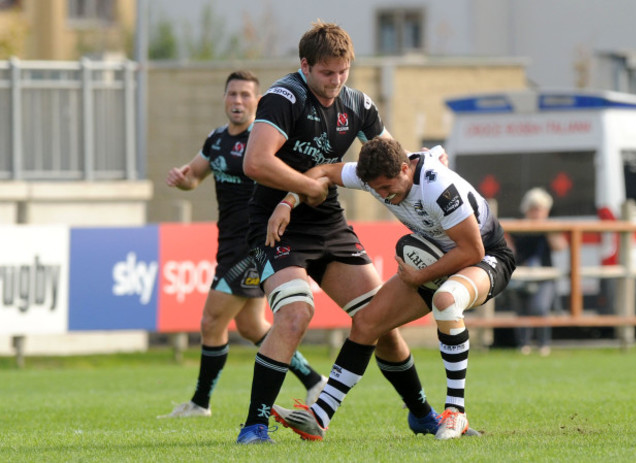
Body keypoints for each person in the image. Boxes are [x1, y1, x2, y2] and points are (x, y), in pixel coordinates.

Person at [236, 22, 442, 444]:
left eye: (343, 71)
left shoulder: (358, 105)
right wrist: (304, 187)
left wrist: (430, 171)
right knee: (296, 313)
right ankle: (255, 426)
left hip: (327, 221)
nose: (335, 81)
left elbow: (392, 159)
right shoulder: (283, 97)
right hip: (275, 224)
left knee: (378, 320)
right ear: (305, 65)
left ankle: (421, 414)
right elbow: (255, 162)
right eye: (327, 72)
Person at [267, 138, 516, 440]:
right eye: (377, 190)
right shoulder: (372, 177)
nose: (384, 195)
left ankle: (455, 412)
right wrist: (287, 202)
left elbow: (472, 250)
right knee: (367, 321)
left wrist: (419, 276)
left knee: (446, 299)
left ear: (404, 168)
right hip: (435, 257)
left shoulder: (438, 187)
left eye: (388, 187)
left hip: (487, 257)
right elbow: (322, 172)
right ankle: (319, 416)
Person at [158, 70, 326, 420]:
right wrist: (182, 179)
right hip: (228, 244)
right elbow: (195, 176)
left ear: (257, 101)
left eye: (246, 96)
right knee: (251, 327)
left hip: (254, 244)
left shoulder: (265, 141)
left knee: (210, 321)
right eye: (232, 94)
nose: (238, 101)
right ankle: (313, 380)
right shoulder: (216, 139)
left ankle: (200, 403)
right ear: (224, 98)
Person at [508, 187, 567, 356]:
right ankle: (523, 345)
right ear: (526, 209)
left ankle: (543, 345)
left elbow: (560, 246)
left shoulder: (550, 228)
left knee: (540, 308)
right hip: (521, 275)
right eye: (533, 208)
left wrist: (546, 228)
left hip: (545, 275)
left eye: (540, 209)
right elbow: (509, 250)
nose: (537, 212)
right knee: (521, 312)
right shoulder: (517, 227)